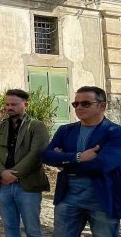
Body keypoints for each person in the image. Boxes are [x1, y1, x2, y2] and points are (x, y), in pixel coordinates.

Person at [42, 86, 121, 236]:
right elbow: (46, 156)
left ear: (102, 106)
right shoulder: (65, 130)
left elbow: (102, 165)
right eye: (75, 104)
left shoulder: (115, 132)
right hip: (67, 200)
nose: (78, 107)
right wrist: (78, 157)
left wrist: (64, 162)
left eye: (85, 103)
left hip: (103, 202)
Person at [0, 89, 49, 237]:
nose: (9, 108)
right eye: (7, 104)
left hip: (27, 186)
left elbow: (36, 154)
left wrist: (13, 174)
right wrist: (2, 172)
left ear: (25, 104)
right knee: (10, 228)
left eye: (13, 104)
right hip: (3, 185)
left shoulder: (36, 126)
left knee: (32, 229)